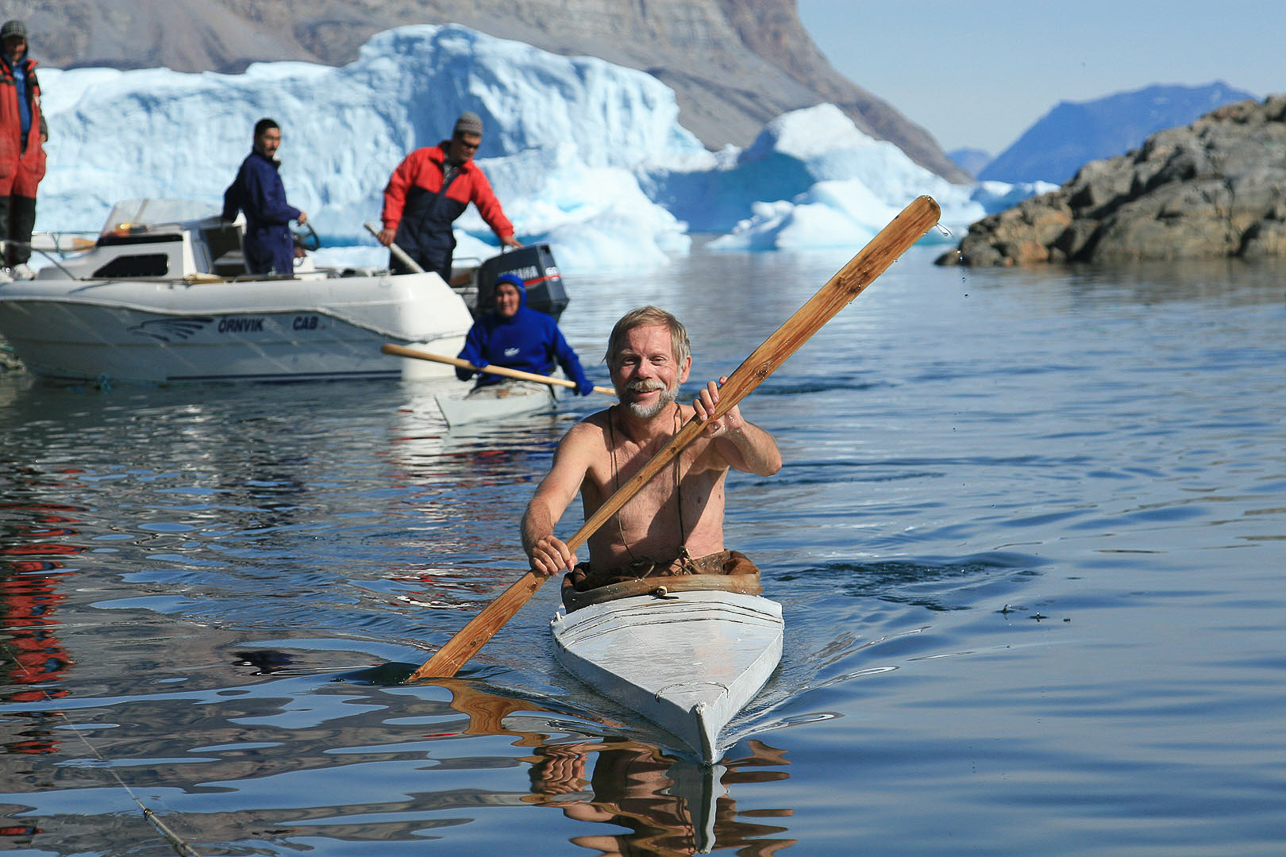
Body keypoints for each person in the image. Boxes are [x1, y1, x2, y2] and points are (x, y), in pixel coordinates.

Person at [521, 306, 782, 593]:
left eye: (658, 360)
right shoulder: (587, 439)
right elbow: (545, 502)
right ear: (611, 369)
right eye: (629, 360)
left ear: (683, 369)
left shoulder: (709, 428)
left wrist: (738, 429)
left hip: (708, 582)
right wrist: (541, 539)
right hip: (616, 588)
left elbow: (769, 465)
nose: (643, 372)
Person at [377, 111, 521, 281]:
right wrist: (391, 225)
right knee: (403, 283)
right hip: (407, 237)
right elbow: (396, 190)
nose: (471, 150)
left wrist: (505, 232)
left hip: (438, 245)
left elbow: (489, 205)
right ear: (455, 138)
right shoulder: (421, 159)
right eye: (467, 144)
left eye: (475, 147)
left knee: (437, 289)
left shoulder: (473, 177)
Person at [455, 272, 594, 396]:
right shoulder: (481, 326)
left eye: (510, 293)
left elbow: (566, 357)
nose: (505, 300)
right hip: (491, 387)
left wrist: (579, 378)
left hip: (533, 384)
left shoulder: (544, 323)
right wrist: (468, 366)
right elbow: (461, 374)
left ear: (520, 296)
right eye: (500, 294)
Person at [221, 117, 307, 276]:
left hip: (261, 239)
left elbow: (231, 194)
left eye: (277, 139)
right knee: (279, 288)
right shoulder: (260, 168)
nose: (274, 144)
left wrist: (228, 215)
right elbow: (268, 208)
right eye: (269, 138)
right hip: (269, 241)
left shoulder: (252, 165)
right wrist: (296, 214)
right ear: (256, 138)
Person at [0, 20, 47, 281]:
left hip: (26, 152)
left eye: (19, 42)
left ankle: (19, 261)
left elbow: (36, 106)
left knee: (25, 208)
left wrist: (42, 130)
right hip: (3, 150)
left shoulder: (29, 73)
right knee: (1, 209)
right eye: (10, 41)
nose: (15, 47)